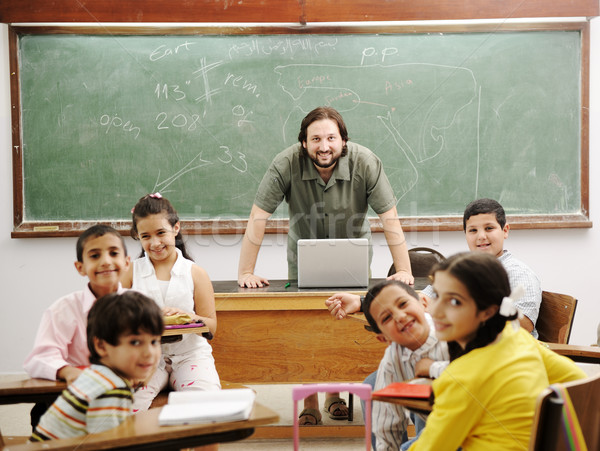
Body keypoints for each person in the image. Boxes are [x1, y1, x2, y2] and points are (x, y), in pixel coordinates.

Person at [237, 106, 414, 424]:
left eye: (331, 137)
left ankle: (334, 393)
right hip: (303, 256)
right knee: (308, 325)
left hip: (353, 254)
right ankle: (309, 402)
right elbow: (258, 217)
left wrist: (404, 269)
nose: (324, 145)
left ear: (343, 141)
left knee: (342, 321)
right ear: (304, 143)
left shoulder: (365, 162)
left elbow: (390, 219)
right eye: (315, 138)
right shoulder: (285, 163)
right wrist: (245, 272)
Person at [406, 252, 586, 450]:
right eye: (437, 296)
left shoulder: (463, 377)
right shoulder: (514, 335)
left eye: (454, 302)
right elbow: (576, 379)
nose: (435, 311)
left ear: (488, 311)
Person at [24, 224, 131, 428]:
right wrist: (67, 372)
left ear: (126, 262)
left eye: (114, 253)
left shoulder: (139, 304)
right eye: (94, 255)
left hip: (120, 397)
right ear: (80, 267)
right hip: (70, 397)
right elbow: (40, 357)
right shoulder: (63, 309)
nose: (106, 261)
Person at [122, 193, 221, 412]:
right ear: (137, 236)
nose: (155, 243)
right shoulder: (130, 272)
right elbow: (114, 322)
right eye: (146, 236)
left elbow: (211, 325)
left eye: (161, 233)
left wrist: (187, 317)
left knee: (207, 406)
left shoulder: (195, 272)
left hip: (189, 355)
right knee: (123, 405)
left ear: (175, 229)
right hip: (145, 357)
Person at [30, 291, 164, 441]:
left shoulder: (98, 374)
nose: (149, 353)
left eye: (154, 342)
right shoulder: (112, 389)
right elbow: (105, 444)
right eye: (135, 342)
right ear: (101, 346)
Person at [361, 280, 449, 450]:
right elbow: (386, 425)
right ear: (383, 338)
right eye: (387, 318)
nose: (400, 317)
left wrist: (432, 368)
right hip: (438, 430)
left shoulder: (455, 331)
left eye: (403, 304)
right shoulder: (392, 359)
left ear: (424, 303)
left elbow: (477, 376)